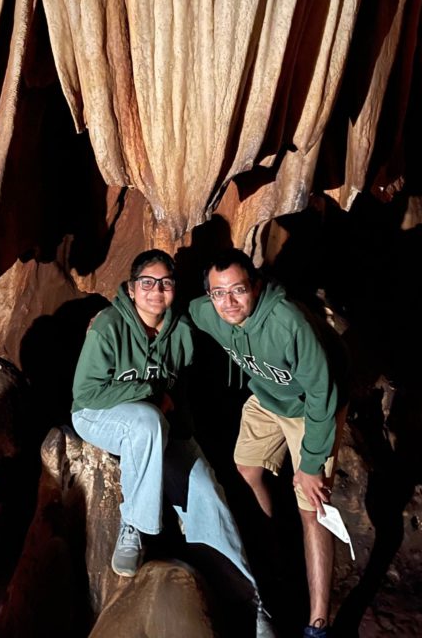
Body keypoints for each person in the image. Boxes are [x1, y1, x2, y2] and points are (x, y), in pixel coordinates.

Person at [72, 249, 275, 638]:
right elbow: (86, 393)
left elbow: (180, 387)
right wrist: (149, 391)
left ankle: (251, 601)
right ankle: (135, 526)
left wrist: (182, 435)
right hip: (98, 416)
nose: (155, 290)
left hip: (159, 428)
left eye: (165, 283)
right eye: (146, 283)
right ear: (132, 290)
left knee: (207, 490)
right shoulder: (108, 327)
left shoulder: (180, 332)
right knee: (145, 421)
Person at [190, 248, 348, 638]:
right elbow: (171, 309)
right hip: (267, 394)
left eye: (238, 291)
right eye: (218, 293)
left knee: (313, 505)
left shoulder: (287, 322)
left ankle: (318, 622)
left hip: (313, 403)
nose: (228, 302)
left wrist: (310, 465)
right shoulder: (208, 312)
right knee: (246, 468)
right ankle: (273, 563)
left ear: (256, 287)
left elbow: (321, 394)